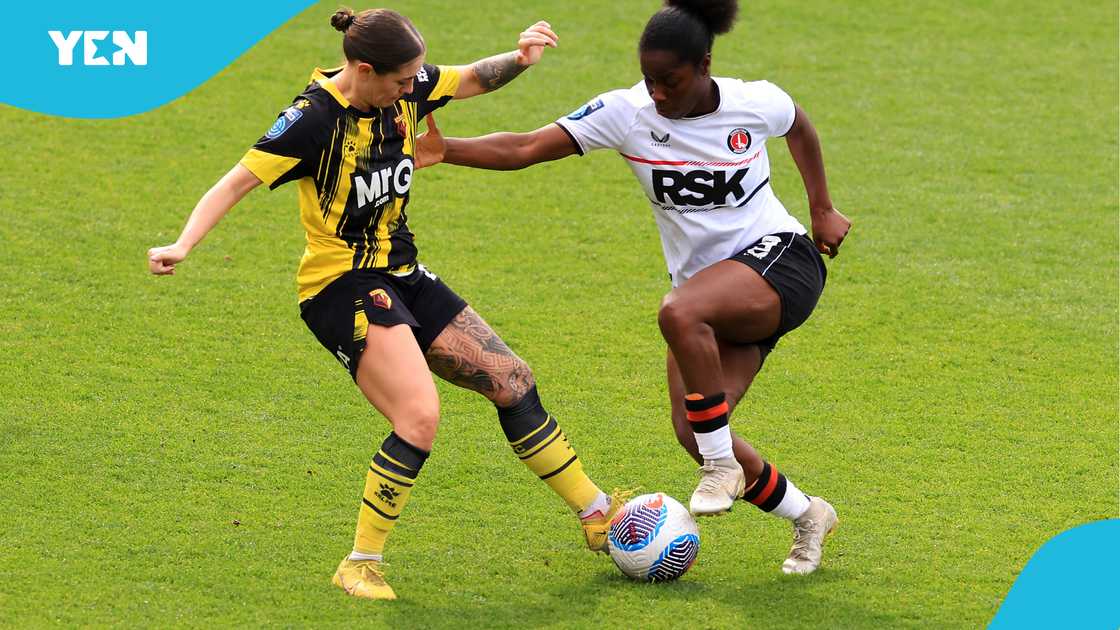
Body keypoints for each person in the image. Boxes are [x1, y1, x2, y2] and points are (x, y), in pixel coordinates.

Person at [147, 8, 624, 601]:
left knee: (511, 380)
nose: (411, 93)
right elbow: (235, 181)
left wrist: (520, 59)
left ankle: (597, 515)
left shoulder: (403, 90)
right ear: (365, 69)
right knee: (419, 418)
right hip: (340, 286)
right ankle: (360, 563)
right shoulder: (311, 120)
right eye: (401, 83)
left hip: (402, 273)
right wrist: (183, 244)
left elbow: (472, 77)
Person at [415, 0, 851, 575]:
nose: (659, 94)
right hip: (713, 297)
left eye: (670, 81)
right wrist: (449, 151)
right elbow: (526, 147)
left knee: (678, 315)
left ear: (704, 66)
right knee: (694, 431)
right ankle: (807, 514)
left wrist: (821, 207)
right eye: (650, 80)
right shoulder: (627, 113)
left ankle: (721, 467)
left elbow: (801, 126)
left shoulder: (754, 100)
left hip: (782, 262)